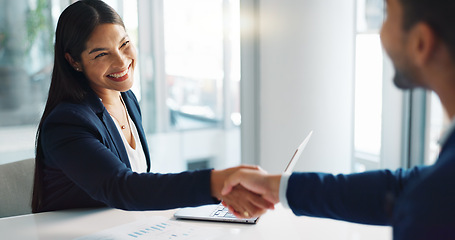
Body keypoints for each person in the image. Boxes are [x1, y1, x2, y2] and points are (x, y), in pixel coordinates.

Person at [222, 0, 455, 239]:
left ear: (421, 43)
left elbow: (416, 195)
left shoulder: (433, 203)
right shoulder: (438, 188)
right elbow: (401, 188)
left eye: (387, 15)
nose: (380, 31)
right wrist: (277, 187)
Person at [32, 0, 273, 217]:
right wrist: (217, 182)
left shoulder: (126, 98)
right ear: (74, 61)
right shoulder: (67, 122)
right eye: (102, 54)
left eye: (124, 44)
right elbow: (122, 186)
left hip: (122, 227)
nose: (121, 61)